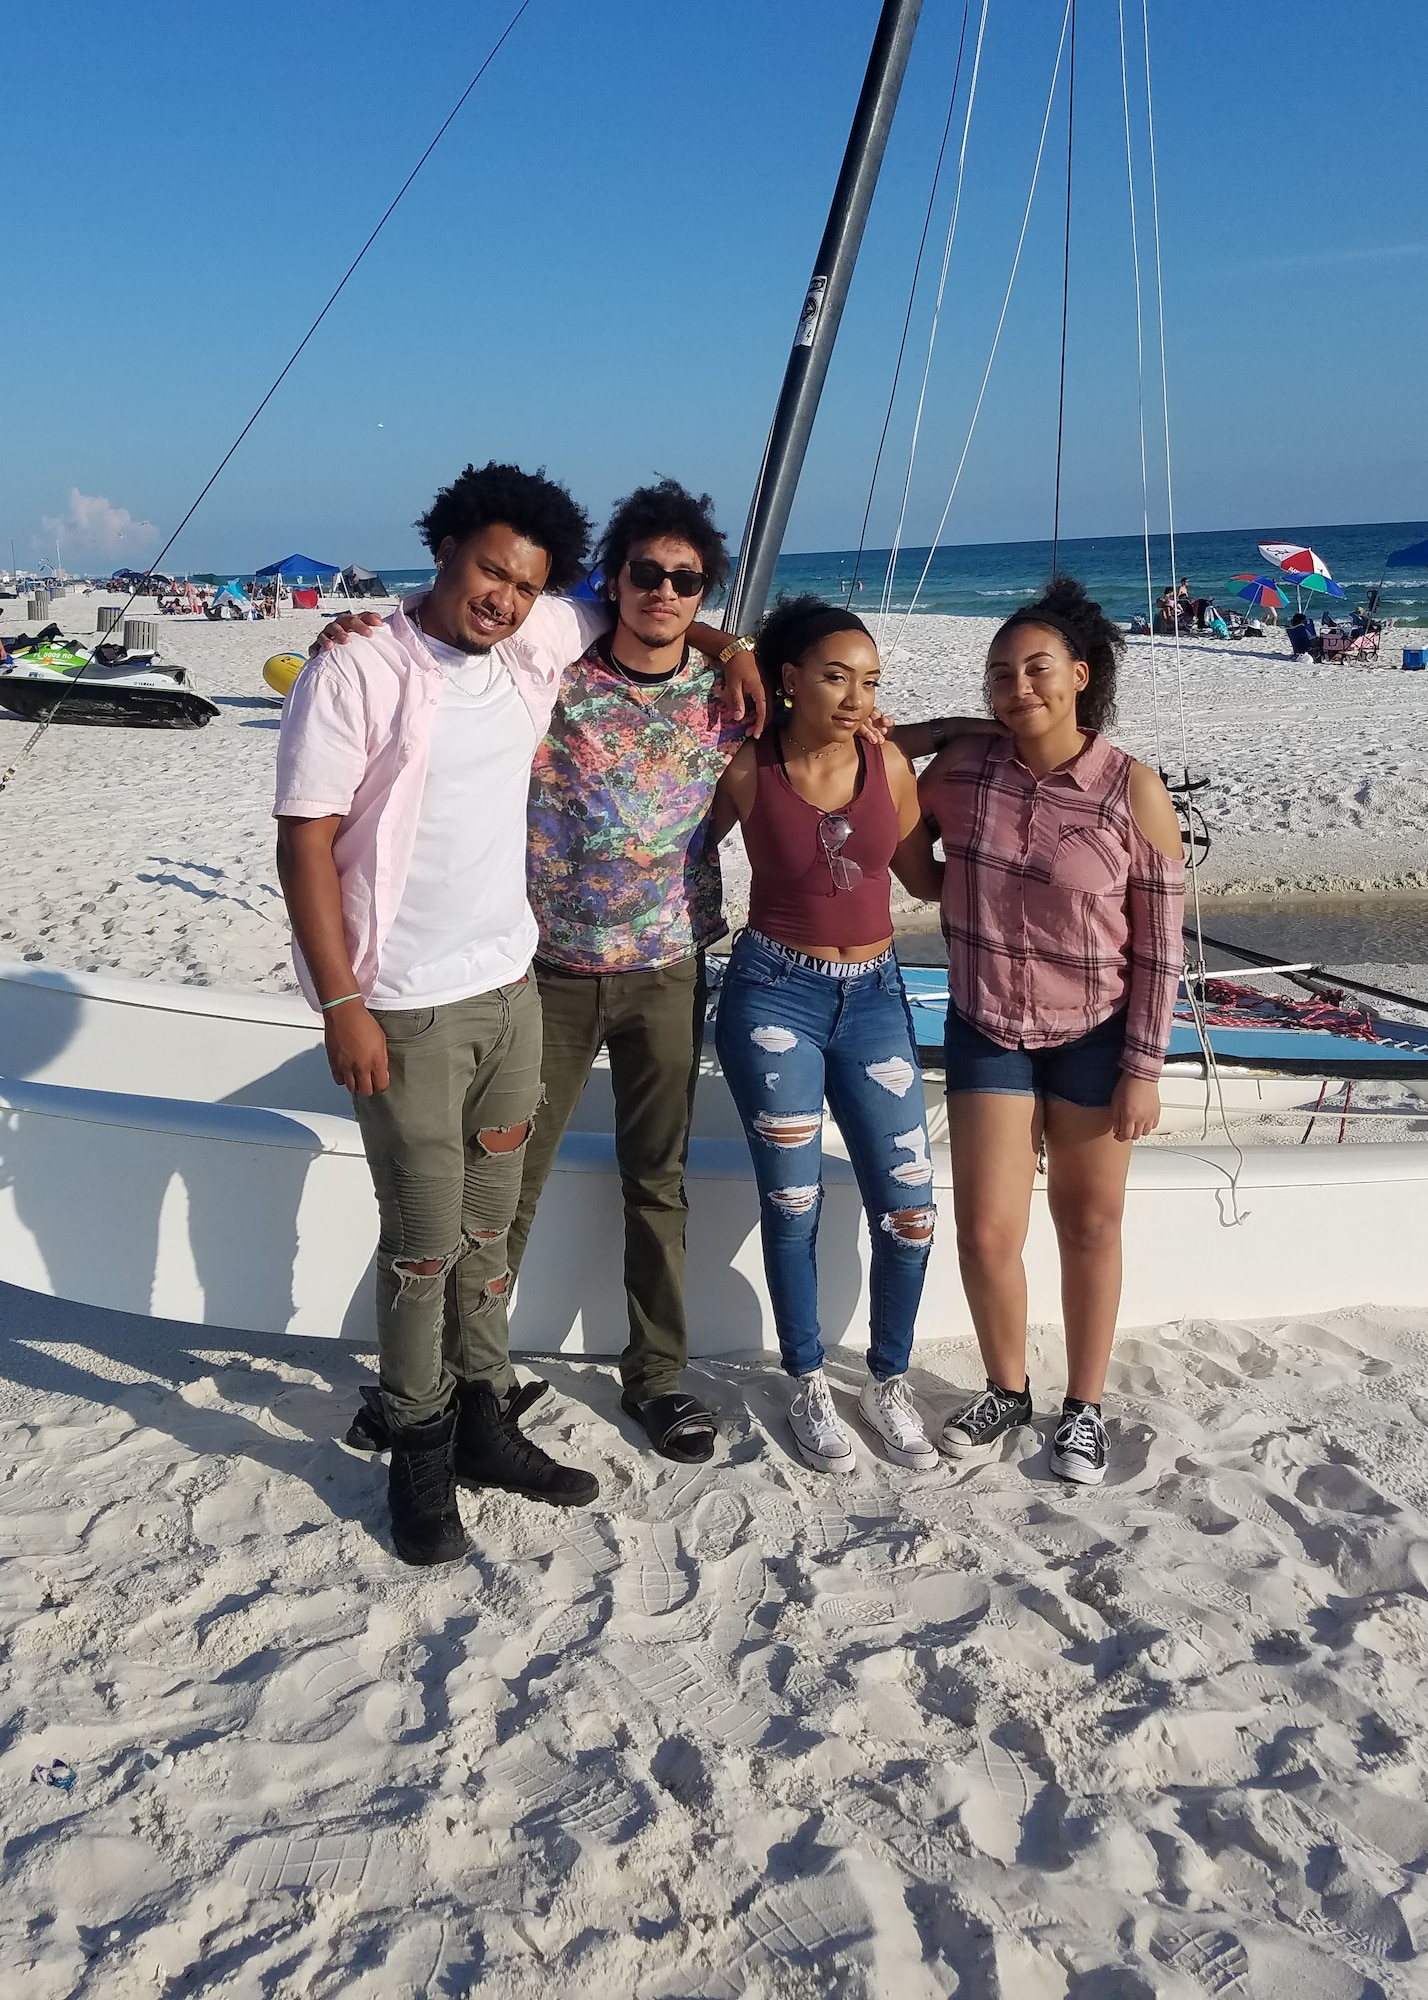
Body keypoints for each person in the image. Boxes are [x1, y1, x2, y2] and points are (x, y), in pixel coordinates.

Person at [282, 465, 764, 1565]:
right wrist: (341, 999)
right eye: (489, 568)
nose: (503, 594)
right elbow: (303, 839)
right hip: (404, 1004)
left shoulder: (538, 639)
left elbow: (677, 606)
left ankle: (485, 1415)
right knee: (422, 1244)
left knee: (490, 1230)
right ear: (445, 546)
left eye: (524, 580)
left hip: (511, 985)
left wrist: (735, 648)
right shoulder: (363, 662)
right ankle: (417, 1442)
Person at [910, 577, 1184, 1487]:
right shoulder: (958, 775)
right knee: (987, 1231)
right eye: (999, 674)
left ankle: (1086, 1407)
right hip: (987, 1022)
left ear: (1080, 674)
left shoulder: (1131, 789)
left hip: (1096, 1033)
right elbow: (894, 808)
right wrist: (955, 730)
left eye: (1037, 668)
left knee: (1090, 1222)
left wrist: (1144, 1067)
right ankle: (1007, 1386)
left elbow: (1161, 947)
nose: (1018, 685)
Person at [709, 597, 949, 1476]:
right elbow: (670, 845)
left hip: (879, 999)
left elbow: (924, 879)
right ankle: (807, 1377)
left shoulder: (889, 764)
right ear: (789, 678)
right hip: (776, 995)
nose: (856, 696)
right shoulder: (743, 768)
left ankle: (887, 1379)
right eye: (836, 676)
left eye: (872, 680)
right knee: (794, 1203)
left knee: (913, 1212)